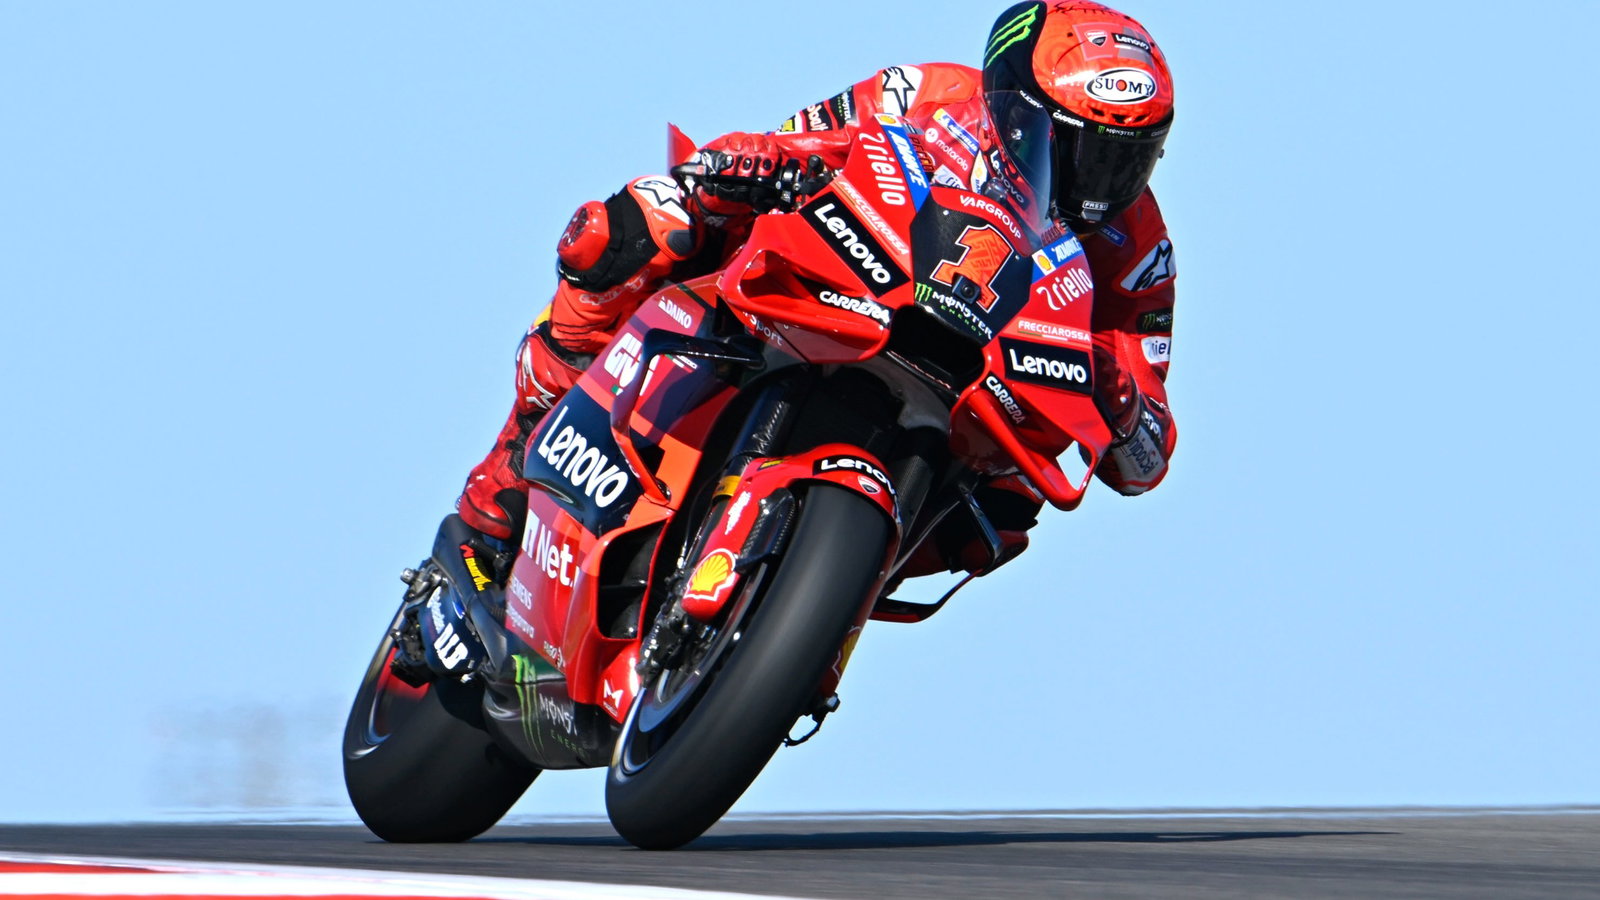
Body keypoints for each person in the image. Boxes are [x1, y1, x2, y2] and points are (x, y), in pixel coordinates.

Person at [457, 0, 1179, 574]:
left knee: (1008, 515)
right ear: (1014, 108)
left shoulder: (1140, 249)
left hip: (969, 405)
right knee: (640, 223)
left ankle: (812, 619)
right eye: (1080, 146)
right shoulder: (928, 94)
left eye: (1129, 158)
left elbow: (1148, 458)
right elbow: (800, 142)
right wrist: (748, 163)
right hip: (840, 287)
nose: (1102, 182)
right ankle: (508, 471)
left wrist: (1121, 400)